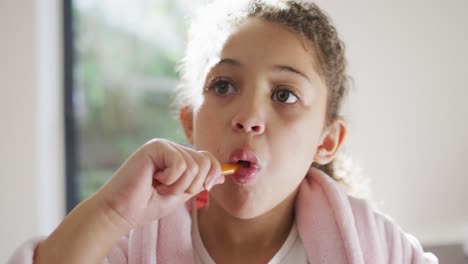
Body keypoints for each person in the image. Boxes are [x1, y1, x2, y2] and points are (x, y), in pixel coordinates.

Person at [9, 0, 438, 263]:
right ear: (190, 123)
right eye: (224, 86)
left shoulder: (376, 247)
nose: (248, 116)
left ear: (326, 142)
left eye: (285, 95)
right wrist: (112, 214)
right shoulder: (132, 243)